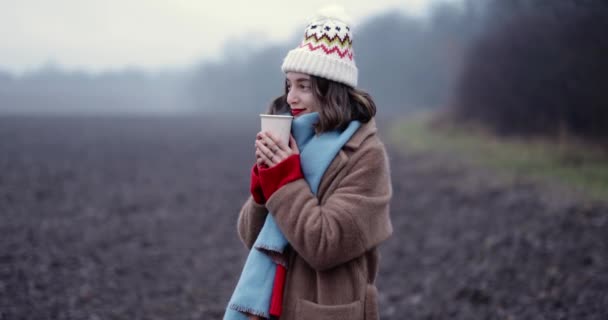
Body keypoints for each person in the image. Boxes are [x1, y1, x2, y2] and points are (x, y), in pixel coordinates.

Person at [225, 5, 392, 320]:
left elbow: (326, 244)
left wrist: (285, 182)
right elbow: (252, 238)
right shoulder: (293, 143)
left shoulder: (366, 156)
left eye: (303, 86)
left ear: (333, 91)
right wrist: (263, 190)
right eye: (289, 85)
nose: (290, 98)